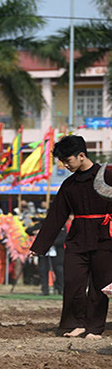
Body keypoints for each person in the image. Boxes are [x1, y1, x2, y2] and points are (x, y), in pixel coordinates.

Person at [29, 135, 112, 339]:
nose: (65, 165)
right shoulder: (68, 184)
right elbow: (56, 216)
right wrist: (39, 246)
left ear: (82, 155)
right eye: (63, 161)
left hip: (105, 238)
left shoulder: (108, 175)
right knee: (73, 280)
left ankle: (94, 328)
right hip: (77, 238)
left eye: (68, 160)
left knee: (99, 285)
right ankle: (76, 323)